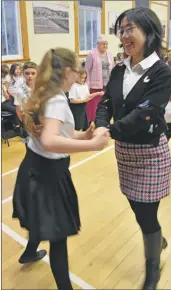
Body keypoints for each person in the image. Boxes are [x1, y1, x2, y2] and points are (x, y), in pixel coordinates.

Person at [12, 48, 109, 290]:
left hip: (36, 169)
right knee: (57, 236)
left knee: (40, 218)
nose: (79, 75)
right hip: (47, 175)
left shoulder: (47, 94)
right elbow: (49, 140)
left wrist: (83, 136)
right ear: (67, 71)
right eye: (77, 71)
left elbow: (58, 133)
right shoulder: (55, 100)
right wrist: (93, 145)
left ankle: (29, 253)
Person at [95, 7, 171, 290]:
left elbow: (147, 114)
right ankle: (155, 237)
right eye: (122, 30)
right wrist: (102, 125)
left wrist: (108, 132)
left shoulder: (161, 71)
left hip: (150, 153)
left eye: (131, 29)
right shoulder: (118, 68)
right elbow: (105, 103)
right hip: (124, 153)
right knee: (136, 207)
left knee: (146, 214)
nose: (125, 36)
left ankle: (153, 265)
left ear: (149, 33)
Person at [85, 34, 114, 123]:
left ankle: (103, 121)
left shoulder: (109, 54)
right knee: (94, 106)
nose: (105, 46)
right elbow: (86, 70)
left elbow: (112, 68)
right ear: (98, 44)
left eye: (106, 44)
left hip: (107, 84)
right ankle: (93, 122)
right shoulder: (92, 54)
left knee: (105, 104)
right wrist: (87, 85)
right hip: (95, 85)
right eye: (103, 44)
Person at [14, 62, 38, 143]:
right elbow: (18, 108)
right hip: (27, 119)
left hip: (41, 119)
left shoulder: (42, 88)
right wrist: (24, 121)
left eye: (33, 73)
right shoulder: (19, 90)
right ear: (23, 73)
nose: (30, 76)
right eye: (27, 73)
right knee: (29, 144)